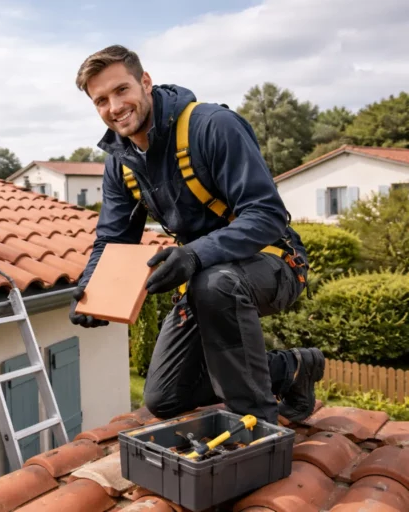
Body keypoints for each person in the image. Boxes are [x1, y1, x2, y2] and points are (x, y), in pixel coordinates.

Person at [68, 45, 324, 425]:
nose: (114, 106)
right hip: (207, 277)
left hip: (275, 263)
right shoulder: (120, 165)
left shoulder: (212, 126)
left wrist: (194, 255)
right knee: (165, 397)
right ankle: (291, 369)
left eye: (121, 90)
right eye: (101, 100)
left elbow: (266, 214)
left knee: (213, 283)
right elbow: (113, 240)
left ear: (145, 82)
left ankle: (257, 431)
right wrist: (92, 288)